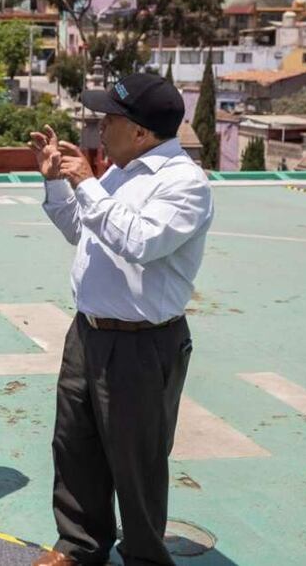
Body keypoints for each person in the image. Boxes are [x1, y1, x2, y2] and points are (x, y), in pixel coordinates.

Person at [29, 73, 214, 566]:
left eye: (109, 118)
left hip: (141, 343)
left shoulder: (184, 184)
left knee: (136, 462)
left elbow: (139, 243)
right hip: (88, 332)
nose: (99, 126)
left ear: (140, 132)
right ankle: (79, 546)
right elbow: (81, 229)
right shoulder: (119, 171)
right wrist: (57, 184)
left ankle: (145, 557)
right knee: (75, 447)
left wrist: (87, 183)